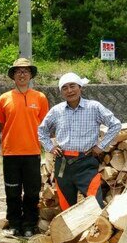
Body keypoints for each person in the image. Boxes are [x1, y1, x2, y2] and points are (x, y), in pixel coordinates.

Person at [38, 72, 121, 210]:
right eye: (65, 88)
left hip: (86, 162)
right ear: (61, 92)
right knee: (66, 207)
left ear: (80, 87)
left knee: (95, 204)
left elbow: (115, 124)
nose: (69, 90)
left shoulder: (94, 107)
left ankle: (97, 230)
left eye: (72, 86)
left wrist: (101, 146)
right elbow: (42, 131)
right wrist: (50, 147)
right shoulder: (57, 111)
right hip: (63, 163)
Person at [0, 58, 49, 237]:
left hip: (33, 152)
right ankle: (14, 223)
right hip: (10, 153)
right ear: (13, 75)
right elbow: (1, 125)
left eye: (26, 71)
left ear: (31, 74)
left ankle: (29, 224)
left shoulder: (40, 97)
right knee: (12, 191)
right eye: (18, 71)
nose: (22, 74)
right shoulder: (4, 99)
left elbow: (44, 124)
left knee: (32, 191)